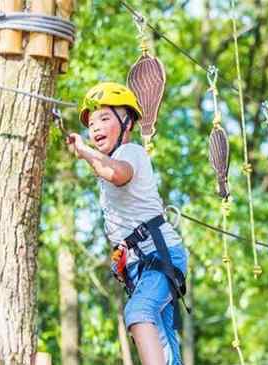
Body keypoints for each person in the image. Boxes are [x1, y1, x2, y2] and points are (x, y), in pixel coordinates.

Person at [67, 82, 187, 365]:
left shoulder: (130, 152)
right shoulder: (108, 161)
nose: (95, 127)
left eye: (105, 118)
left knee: (139, 313)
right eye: (92, 122)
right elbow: (106, 170)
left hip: (160, 254)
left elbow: (117, 173)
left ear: (127, 123)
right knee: (162, 339)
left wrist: (84, 152)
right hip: (140, 263)